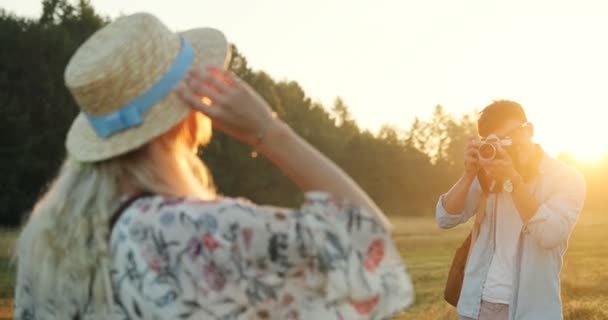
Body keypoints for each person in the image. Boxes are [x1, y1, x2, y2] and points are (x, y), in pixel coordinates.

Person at [14, 12, 413, 320]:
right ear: (190, 112)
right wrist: (269, 131)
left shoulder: (46, 238)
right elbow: (368, 246)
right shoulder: (183, 229)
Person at [436, 100, 586, 320]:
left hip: (532, 310)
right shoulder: (487, 172)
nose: (509, 146)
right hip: (476, 307)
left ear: (530, 130)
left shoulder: (566, 178)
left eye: (512, 135)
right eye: (498, 141)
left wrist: (513, 181)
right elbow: (445, 218)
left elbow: (551, 234)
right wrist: (468, 175)